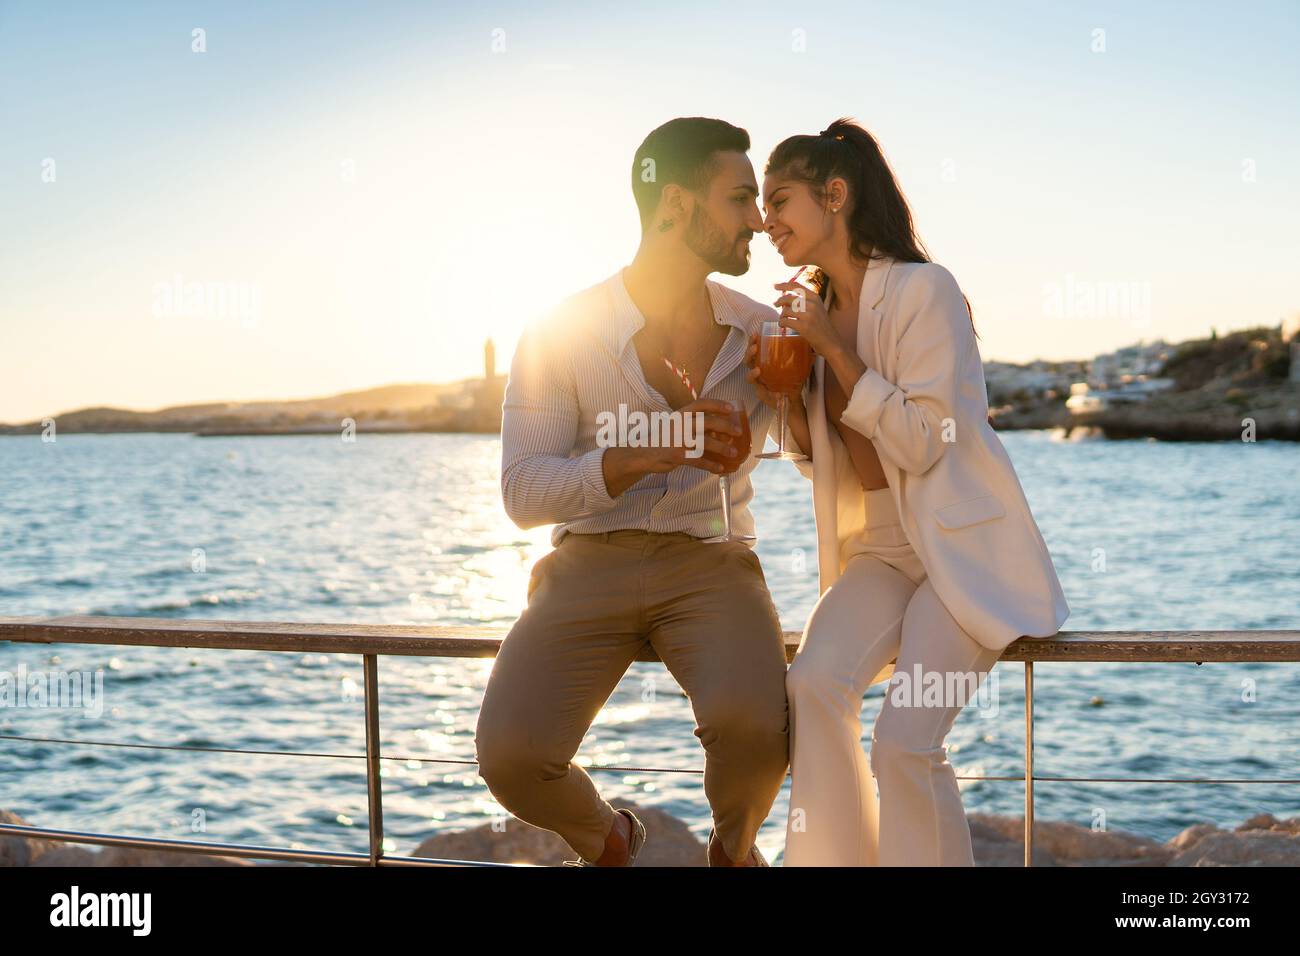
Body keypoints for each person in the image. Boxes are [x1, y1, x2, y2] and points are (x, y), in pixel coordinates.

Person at [746, 117, 1070, 866]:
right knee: (815, 686)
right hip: (883, 551)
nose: (766, 222)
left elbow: (926, 440)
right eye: (760, 205)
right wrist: (789, 398)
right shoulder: (812, 308)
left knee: (903, 741)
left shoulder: (925, 291)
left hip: (960, 555)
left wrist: (829, 344)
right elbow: (822, 459)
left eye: (780, 200)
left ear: (835, 195)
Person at [475, 117, 788, 867]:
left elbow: (821, 450)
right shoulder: (560, 330)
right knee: (511, 754)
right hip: (588, 562)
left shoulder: (763, 333)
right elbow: (523, 492)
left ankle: (733, 853)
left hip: (711, 562)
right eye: (741, 198)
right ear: (675, 206)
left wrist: (808, 385)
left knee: (756, 725)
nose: (759, 219)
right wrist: (648, 449)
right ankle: (609, 839)